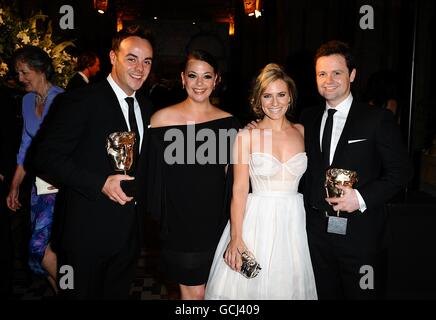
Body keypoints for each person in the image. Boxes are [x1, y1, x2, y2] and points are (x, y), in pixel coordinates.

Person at [31, 25, 154, 299]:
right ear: (113, 57)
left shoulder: (146, 106)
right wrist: (100, 183)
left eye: (147, 61)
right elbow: (42, 157)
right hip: (85, 234)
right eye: (131, 58)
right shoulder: (79, 100)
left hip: (128, 236)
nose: (140, 68)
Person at [299, 40, 411, 299]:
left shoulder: (376, 118)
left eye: (337, 72)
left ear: (352, 74)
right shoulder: (308, 117)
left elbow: (402, 172)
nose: (329, 80)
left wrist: (360, 197)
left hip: (362, 238)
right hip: (316, 237)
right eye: (322, 73)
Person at [204, 63, 317, 300]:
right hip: (256, 221)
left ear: (290, 97)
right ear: (259, 99)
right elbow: (239, 190)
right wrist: (236, 237)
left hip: (292, 222)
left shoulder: (303, 132)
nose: (274, 102)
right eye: (267, 96)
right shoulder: (247, 136)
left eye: (281, 95)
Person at [148, 49, 240, 300]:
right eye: (193, 75)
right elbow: (151, 178)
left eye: (207, 76)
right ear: (182, 79)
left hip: (216, 224)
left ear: (216, 80)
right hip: (179, 226)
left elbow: (235, 182)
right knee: (194, 294)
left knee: (215, 292)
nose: (200, 83)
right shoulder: (160, 121)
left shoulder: (230, 123)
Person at [5, 46, 64, 293]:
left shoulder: (62, 100)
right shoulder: (28, 101)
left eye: (24, 72)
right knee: (39, 254)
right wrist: (14, 187)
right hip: (38, 189)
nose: (20, 79)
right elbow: (25, 147)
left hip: (60, 188)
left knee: (41, 248)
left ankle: (76, 292)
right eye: (17, 73)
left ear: (41, 69)